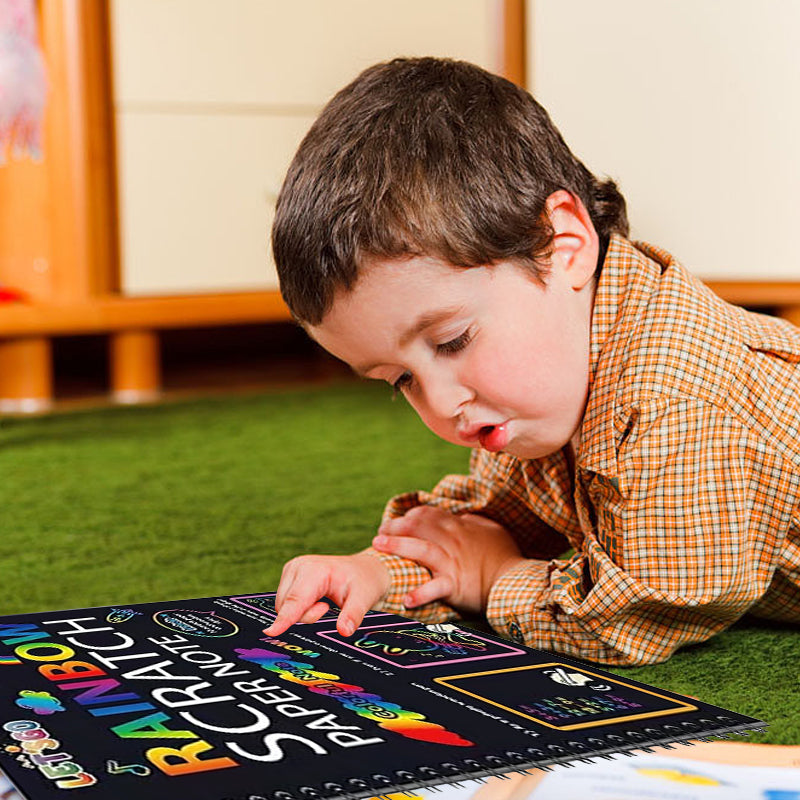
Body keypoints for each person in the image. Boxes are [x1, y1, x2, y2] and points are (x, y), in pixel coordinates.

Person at [265, 57, 800, 666]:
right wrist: (380, 569)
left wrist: (494, 578)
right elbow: (490, 521)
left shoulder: (673, 399)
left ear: (563, 248)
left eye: (452, 341)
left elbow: (641, 606)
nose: (441, 404)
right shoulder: (550, 373)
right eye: (401, 380)